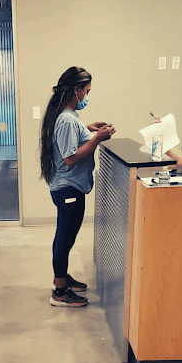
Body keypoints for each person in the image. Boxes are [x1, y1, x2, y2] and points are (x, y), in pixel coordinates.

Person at [40, 66, 116, 307]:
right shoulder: (66, 119)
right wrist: (96, 139)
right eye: (87, 91)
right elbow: (70, 158)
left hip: (68, 187)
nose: (87, 96)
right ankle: (60, 292)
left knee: (66, 235)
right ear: (76, 90)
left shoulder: (68, 116)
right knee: (64, 238)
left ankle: (62, 278)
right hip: (68, 188)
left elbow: (71, 139)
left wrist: (88, 129)